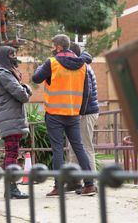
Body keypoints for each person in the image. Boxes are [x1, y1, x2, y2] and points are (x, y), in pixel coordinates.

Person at [32, 34, 97, 197]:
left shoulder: (52, 62)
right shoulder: (82, 65)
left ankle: (58, 186)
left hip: (54, 113)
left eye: (53, 46)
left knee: (58, 150)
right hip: (73, 113)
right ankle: (89, 185)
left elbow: (36, 78)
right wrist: (80, 111)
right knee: (79, 148)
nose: (52, 49)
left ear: (59, 47)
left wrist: (42, 67)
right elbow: (86, 91)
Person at [0, 46, 32, 199]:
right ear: (5, 57)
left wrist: (23, 88)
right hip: (10, 119)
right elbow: (22, 95)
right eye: (12, 55)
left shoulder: (6, 73)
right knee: (11, 154)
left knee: (11, 153)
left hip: (12, 118)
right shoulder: (4, 74)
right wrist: (27, 88)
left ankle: (11, 188)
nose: (15, 57)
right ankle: (11, 188)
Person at [67, 43, 99, 194]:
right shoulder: (80, 65)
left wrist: (80, 112)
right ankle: (75, 182)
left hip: (86, 113)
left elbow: (87, 93)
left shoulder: (83, 67)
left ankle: (91, 184)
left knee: (86, 147)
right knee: (74, 148)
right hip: (79, 112)